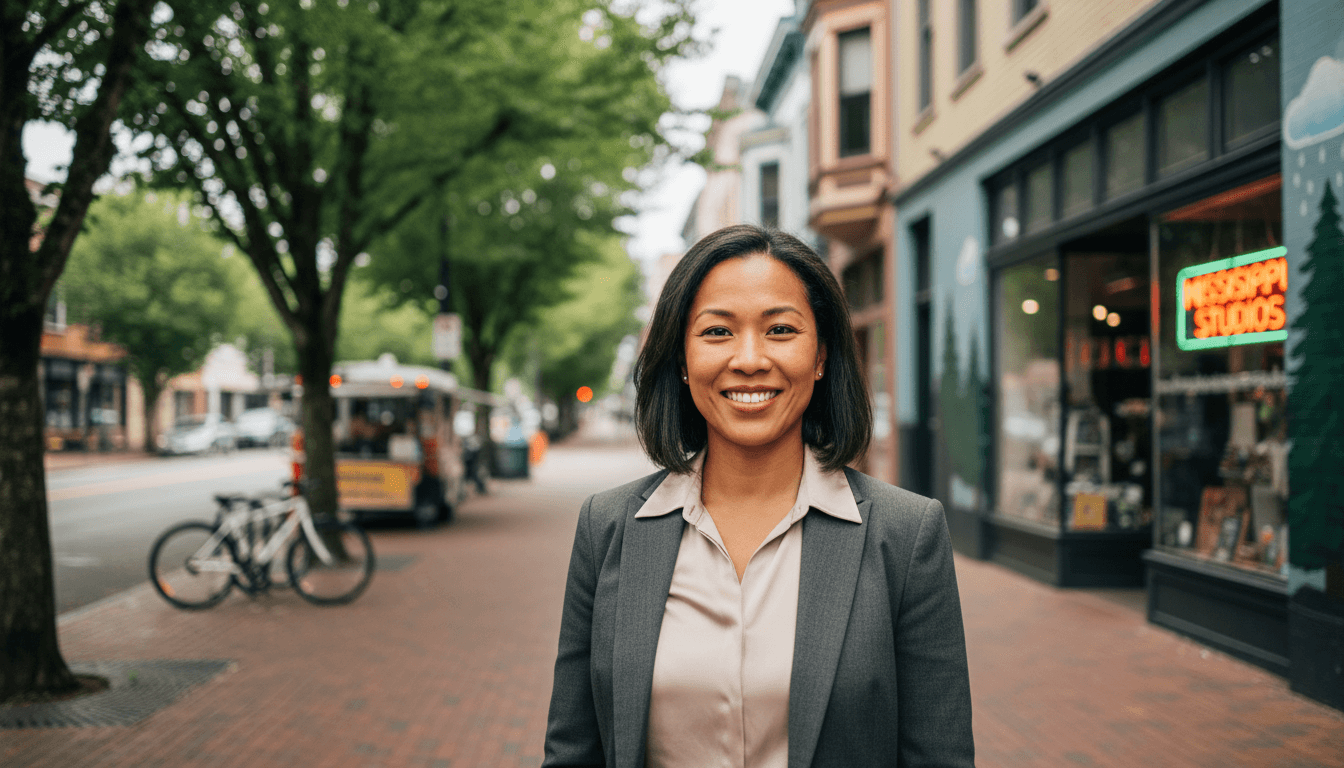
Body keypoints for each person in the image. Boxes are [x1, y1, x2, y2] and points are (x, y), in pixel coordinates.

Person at [543, 225, 974, 768]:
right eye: (718, 332)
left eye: (780, 330)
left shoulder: (906, 535)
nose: (749, 358)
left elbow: (940, 756)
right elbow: (572, 751)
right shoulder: (608, 528)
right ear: (681, 357)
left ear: (820, 355)